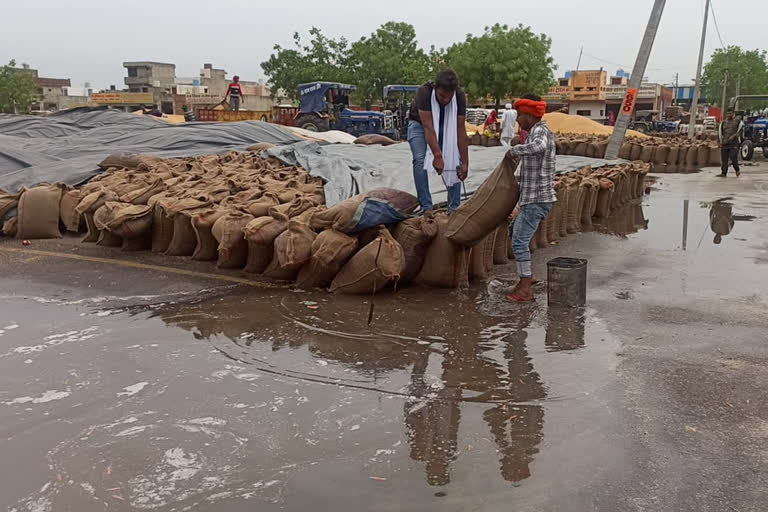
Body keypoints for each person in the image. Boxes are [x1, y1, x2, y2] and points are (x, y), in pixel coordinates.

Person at [504, 94, 556, 303]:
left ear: (528, 114)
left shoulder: (540, 132)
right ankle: (528, 276)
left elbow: (539, 147)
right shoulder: (534, 132)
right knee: (513, 232)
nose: (517, 120)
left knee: (519, 242)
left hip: (537, 200)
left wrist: (515, 150)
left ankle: (525, 288)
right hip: (532, 198)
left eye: (519, 115)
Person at [407, 70, 469, 214]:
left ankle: (454, 208)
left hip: (446, 123)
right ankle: (426, 207)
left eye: (449, 97)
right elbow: (428, 126)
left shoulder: (459, 96)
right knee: (420, 160)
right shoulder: (424, 92)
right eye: (442, 96)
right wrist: (438, 155)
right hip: (420, 125)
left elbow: (460, 130)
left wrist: (465, 162)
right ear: (435, 88)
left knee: (454, 160)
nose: (445, 100)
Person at [718, 108, 744, 177]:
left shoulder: (737, 121)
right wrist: (720, 141)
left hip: (734, 143)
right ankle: (724, 173)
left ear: (733, 114)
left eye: (730, 113)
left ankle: (737, 169)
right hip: (725, 143)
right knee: (724, 159)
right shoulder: (723, 122)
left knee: (733, 157)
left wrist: (734, 136)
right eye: (728, 113)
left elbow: (741, 130)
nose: (729, 115)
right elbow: (720, 132)